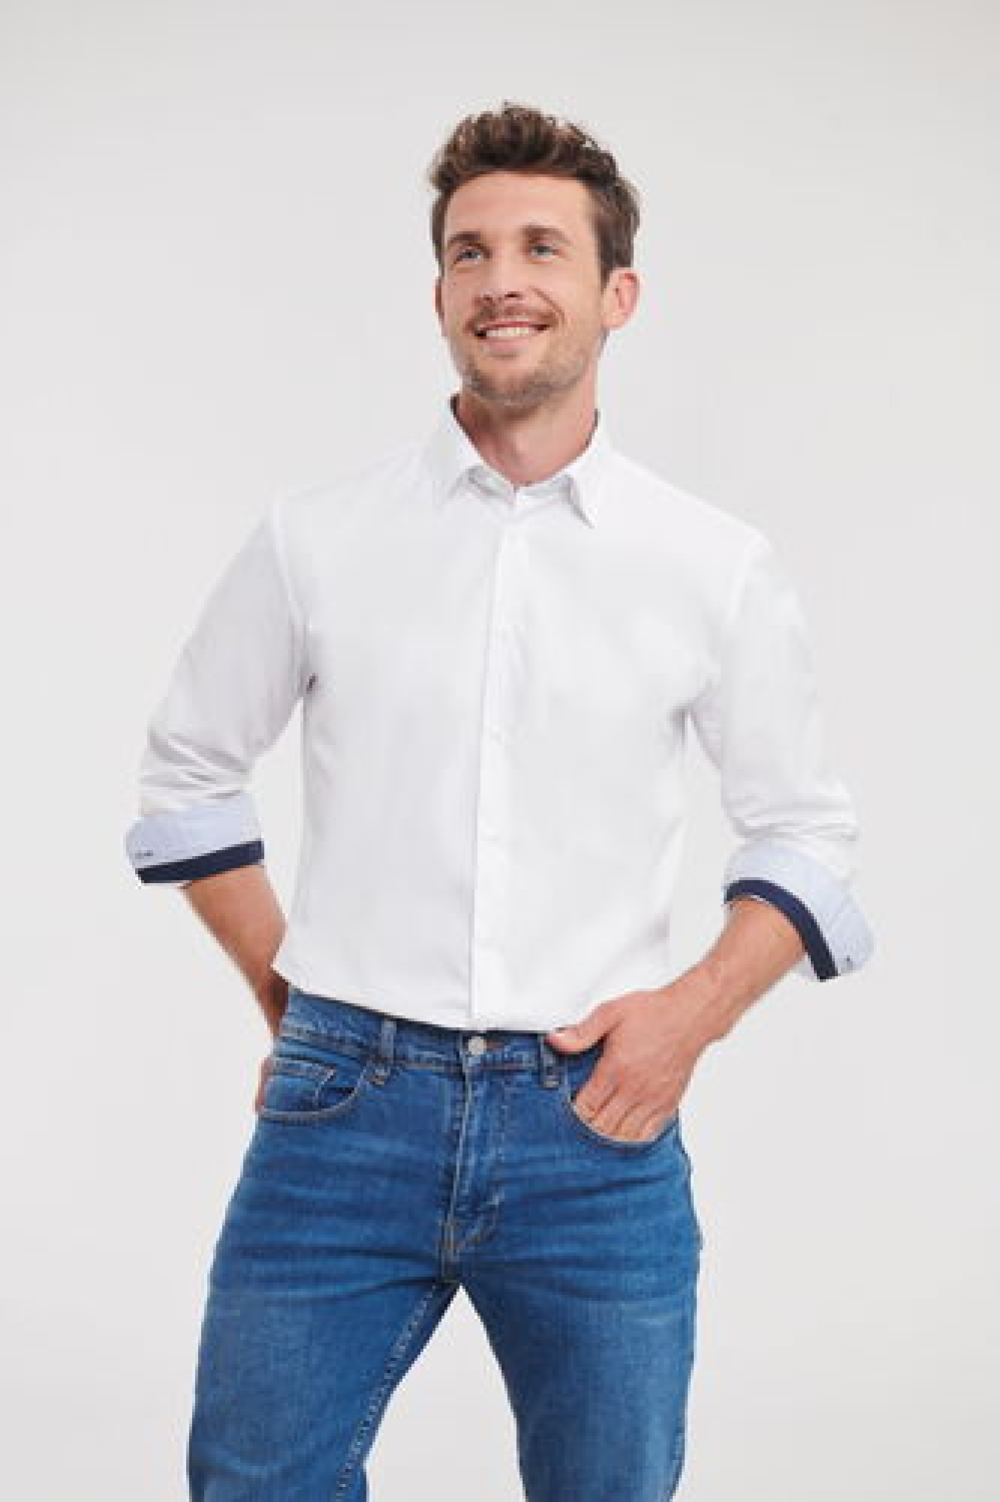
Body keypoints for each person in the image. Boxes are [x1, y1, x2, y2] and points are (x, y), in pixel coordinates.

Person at [125, 100, 874, 1502]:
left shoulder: (709, 563)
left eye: (541, 247)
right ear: (438, 297)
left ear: (617, 294)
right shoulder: (317, 538)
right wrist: (295, 1000)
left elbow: (807, 831)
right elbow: (186, 775)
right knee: (254, 1481)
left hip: (594, 1122)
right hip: (340, 1110)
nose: (500, 280)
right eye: (469, 253)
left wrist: (689, 1018)